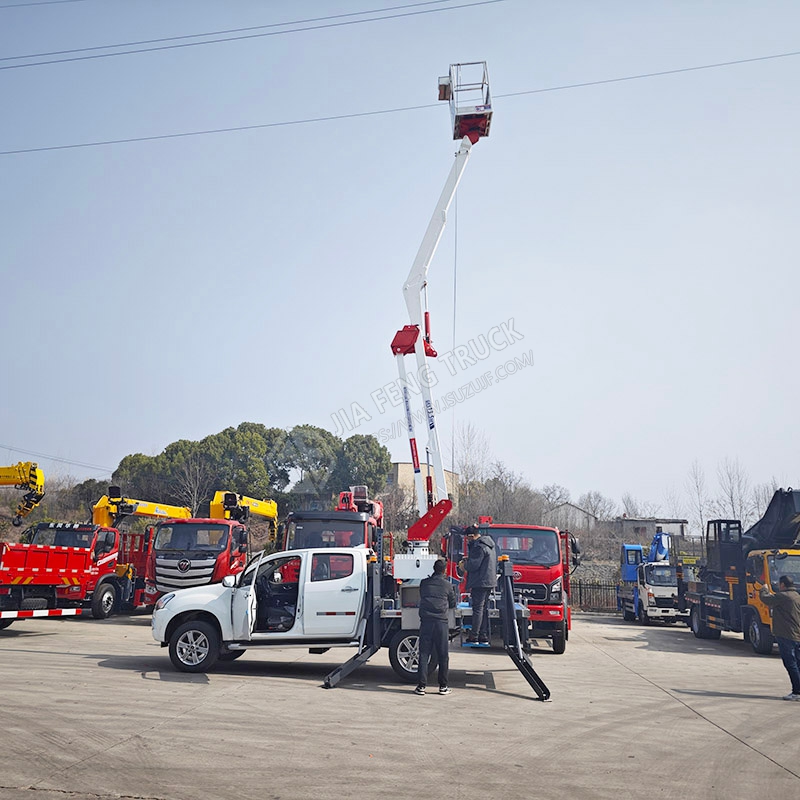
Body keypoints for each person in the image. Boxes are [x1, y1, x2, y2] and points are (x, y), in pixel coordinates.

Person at [414, 558, 456, 696]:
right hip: (441, 623)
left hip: (426, 621)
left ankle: (421, 686)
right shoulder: (448, 585)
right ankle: (443, 686)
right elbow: (452, 603)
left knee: (424, 654)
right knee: (443, 655)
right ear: (444, 571)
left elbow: (422, 596)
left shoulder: (424, 583)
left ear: (433, 568)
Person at [760, 574, 800, 701]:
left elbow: (766, 599)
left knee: (790, 663)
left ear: (783, 585)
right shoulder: (797, 596)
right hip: (796, 634)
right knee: (797, 663)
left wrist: (764, 589)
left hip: (786, 634)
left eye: (779, 584)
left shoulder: (783, 596)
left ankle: (797, 691)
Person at [460, 524, 497, 645]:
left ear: (471, 536)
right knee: (484, 609)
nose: (467, 540)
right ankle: (483, 635)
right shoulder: (489, 544)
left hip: (480, 582)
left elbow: (473, 565)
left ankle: (474, 636)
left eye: (467, 538)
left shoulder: (479, 547)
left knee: (477, 609)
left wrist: (464, 565)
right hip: (488, 581)